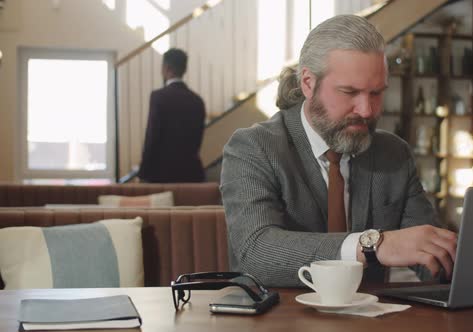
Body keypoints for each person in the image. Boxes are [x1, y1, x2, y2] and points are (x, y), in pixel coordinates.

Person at [220, 15, 457, 287]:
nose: (367, 110)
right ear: (308, 83)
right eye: (349, 92)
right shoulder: (253, 148)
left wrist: (468, 263)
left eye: (376, 93)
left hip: (370, 321)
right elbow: (256, 252)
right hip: (280, 319)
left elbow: (431, 259)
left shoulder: (394, 154)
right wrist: (374, 246)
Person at [138, 48, 206, 183]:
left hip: (161, 174)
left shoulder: (158, 97)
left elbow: (152, 137)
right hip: (191, 173)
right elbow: (197, 141)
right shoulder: (197, 100)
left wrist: (143, 172)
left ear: (165, 68)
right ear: (184, 70)